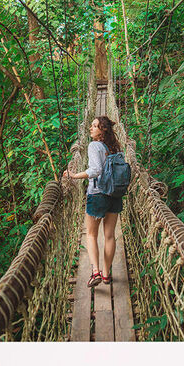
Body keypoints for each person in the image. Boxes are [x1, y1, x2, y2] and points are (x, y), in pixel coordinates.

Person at [62, 115, 123, 287]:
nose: (90, 128)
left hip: (97, 194)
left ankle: (95, 272)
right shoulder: (117, 148)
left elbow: (95, 170)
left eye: (94, 126)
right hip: (115, 195)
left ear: (102, 131)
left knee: (91, 234)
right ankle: (106, 275)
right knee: (110, 235)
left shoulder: (94, 145)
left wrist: (74, 176)